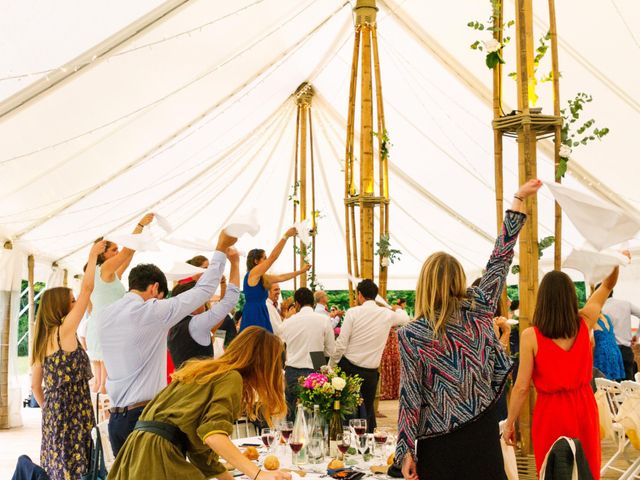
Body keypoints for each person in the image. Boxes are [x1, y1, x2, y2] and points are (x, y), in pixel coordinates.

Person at [397, 179, 540, 480]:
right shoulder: (479, 307)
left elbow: (410, 397)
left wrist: (405, 451)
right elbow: (500, 261)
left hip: (436, 441)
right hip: (482, 430)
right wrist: (517, 200)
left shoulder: (410, 334)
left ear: (423, 284)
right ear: (458, 279)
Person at [99, 230, 237, 456]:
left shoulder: (107, 314)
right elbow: (204, 290)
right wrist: (220, 248)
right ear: (154, 288)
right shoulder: (151, 311)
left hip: (115, 420)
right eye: (160, 296)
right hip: (143, 417)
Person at [107, 327, 291, 480]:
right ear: (263, 364)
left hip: (139, 449)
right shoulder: (231, 378)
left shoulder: (207, 371)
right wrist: (257, 474)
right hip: (158, 455)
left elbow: (201, 451)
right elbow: (214, 436)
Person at [503, 258, 626, 479]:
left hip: (549, 412)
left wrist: (509, 423)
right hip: (584, 408)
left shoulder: (531, 336)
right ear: (571, 297)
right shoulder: (585, 321)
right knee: (585, 468)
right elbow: (607, 286)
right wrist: (614, 261)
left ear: (543, 300)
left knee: (552, 470)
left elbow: (521, 387)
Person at [30, 240, 106, 480]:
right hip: (75, 410)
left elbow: (35, 386)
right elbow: (87, 290)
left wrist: (51, 408)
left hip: (54, 412)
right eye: (71, 301)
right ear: (61, 307)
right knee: (78, 465)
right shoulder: (64, 331)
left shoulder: (42, 339)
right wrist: (93, 256)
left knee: (58, 464)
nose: (76, 304)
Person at [330, 279, 410, 432]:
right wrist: (397, 308)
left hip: (349, 368)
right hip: (370, 373)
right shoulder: (387, 314)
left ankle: (346, 444)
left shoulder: (353, 312)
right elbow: (405, 318)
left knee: (347, 411)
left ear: (360, 295)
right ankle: (367, 446)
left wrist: (331, 366)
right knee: (367, 411)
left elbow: (341, 344)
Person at [86, 213, 154, 393]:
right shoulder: (105, 268)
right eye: (113, 250)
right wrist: (139, 225)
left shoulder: (101, 273)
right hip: (108, 327)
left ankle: (103, 417)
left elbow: (128, 256)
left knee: (101, 383)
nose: (117, 253)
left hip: (98, 325)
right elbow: (127, 252)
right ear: (103, 254)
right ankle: (109, 418)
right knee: (108, 383)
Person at [168, 249, 240, 370]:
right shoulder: (196, 324)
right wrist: (235, 263)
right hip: (199, 385)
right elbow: (229, 301)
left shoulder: (173, 325)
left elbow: (218, 318)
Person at [240, 228, 309, 333]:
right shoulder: (252, 274)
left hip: (261, 312)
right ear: (256, 261)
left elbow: (282, 277)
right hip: (254, 313)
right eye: (264, 258)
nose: (267, 260)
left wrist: (301, 271)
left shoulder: (262, 277)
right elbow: (273, 257)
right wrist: (285, 236)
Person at [281, 288, 336, 419]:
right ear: (313, 303)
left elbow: (280, 344)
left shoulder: (288, 322)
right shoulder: (324, 320)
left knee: (293, 414)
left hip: (293, 368)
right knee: (316, 415)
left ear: (297, 304)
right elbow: (330, 350)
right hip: (316, 366)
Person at [601, 291, 640, 380]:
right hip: (627, 351)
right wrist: (637, 335)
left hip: (610, 352)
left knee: (613, 388)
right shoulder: (626, 304)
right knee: (628, 386)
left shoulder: (601, 309)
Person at [593, 312, 626, 381]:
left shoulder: (593, 319)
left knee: (601, 383)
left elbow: (591, 342)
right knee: (612, 383)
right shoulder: (606, 317)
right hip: (614, 350)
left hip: (602, 354)